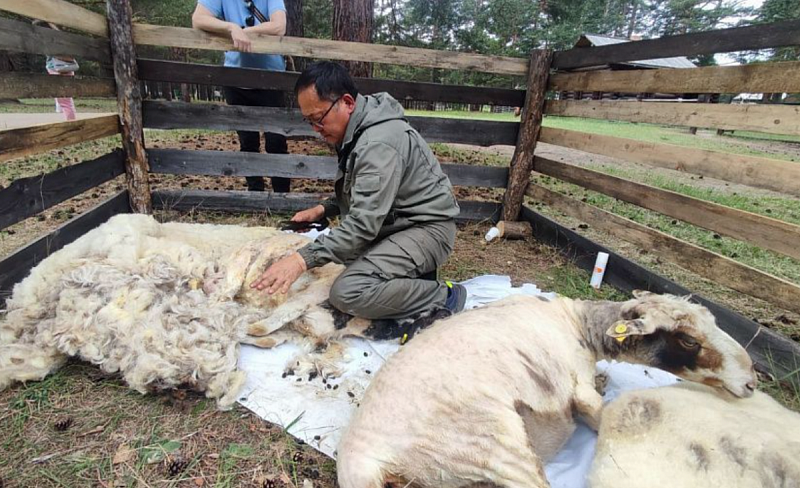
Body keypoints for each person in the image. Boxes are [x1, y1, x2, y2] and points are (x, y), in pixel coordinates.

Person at [251, 61, 468, 320]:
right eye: (308, 121)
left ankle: (445, 295)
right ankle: (407, 278)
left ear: (347, 102)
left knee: (348, 292)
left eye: (318, 119)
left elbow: (363, 224)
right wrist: (325, 208)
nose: (316, 130)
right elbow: (368, 191)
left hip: (426, 229)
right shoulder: (361, 129)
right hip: (399, 223)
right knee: (341, 260)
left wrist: (300, 260)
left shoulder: (377, 144)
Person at [191, 0, 291, 192]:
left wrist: (244, 32)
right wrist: (231, 27)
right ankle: (255, 193)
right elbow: (198, 19)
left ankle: (282, 195)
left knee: (276, 140)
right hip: (235, 78)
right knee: (247, 142)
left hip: (270, 78)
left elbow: (279, 26)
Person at [32, 20, 78, 121]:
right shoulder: (61, 39)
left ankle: (71, 124)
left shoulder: (49, 41)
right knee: (65, 100)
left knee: (65, 102)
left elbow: (64, 55)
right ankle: (69, 121)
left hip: (58, 69)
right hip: (64, 68)